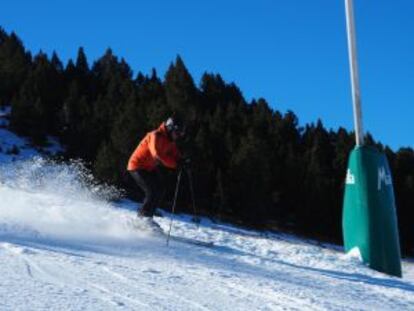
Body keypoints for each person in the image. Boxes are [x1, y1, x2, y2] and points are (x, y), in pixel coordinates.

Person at [127, 116, 187, 231]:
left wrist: (182, 160)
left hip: (148, 167)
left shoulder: (170, 141)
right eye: (177, 133)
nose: (178, 136)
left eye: (180, 134)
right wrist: (175, 164)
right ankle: (142, 221)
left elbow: (175, 154)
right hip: (136, 166)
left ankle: (146, 219)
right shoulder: (155, 135)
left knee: (159, 190)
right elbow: (157, 155)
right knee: (152, 191)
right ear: (170, 129)